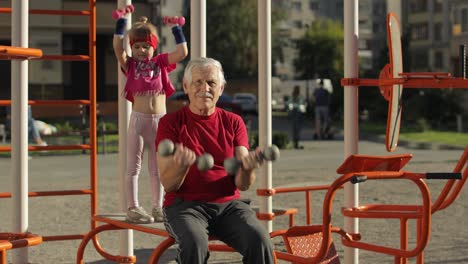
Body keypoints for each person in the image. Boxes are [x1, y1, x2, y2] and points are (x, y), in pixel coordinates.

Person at [155, 57, 274, 264]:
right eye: (198, 82)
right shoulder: (170, 123)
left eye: (211, 83)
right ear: (186, 87)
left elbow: (243, 184)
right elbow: (169, 184)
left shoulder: (234, 122)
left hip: (228, 205)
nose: (205, 88)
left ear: (221, 88)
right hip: (185, 207)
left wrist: (248, 167)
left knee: (260, 240)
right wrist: (181, 165)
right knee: (195, 243)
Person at [113, 15, 188, 223]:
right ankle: (133, 207)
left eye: (146, 46)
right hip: (138, 120)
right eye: (136, 46)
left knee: (157, 167)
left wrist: (176, 28)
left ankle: (158, 207)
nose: (141, 50)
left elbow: (182, 53)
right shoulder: (130, 66)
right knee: (133, 166)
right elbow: (118, 48)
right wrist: (120, 24)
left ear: (153, 47)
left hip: (160, 121)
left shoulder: (160, 63)